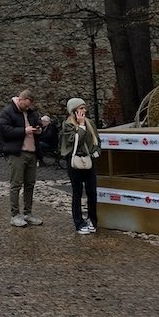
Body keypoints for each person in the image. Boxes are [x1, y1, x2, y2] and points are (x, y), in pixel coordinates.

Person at [0, 88, 44, 228]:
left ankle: (28, 213)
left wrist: (39, 128)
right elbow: (4, 130)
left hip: (32, 152)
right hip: (17, 153)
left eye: (29, 105)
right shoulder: (7, 111)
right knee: (16, 184)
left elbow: (38, 122)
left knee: (30, 184)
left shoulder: (30, 111)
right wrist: (24, 131)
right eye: (26, 104)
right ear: (20, 99)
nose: (27, 107)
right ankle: (15, 214)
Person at [60, 97, 100, 234]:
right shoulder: (67, 125)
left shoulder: (90, 123)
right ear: (74, 110)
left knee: (92, 192)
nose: (84, 110)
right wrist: (81, 126)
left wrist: (96, 152)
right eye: (81, 108)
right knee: (77, 192)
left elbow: (96, 140)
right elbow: (73, 140)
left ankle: (92, 220)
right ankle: (78, 222)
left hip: (89, 162)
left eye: (84, 107)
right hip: (74, 162)